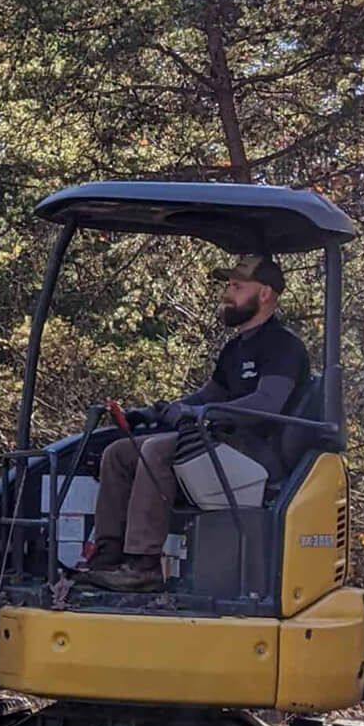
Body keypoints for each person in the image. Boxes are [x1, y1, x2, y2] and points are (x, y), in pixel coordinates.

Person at [81, 254, 311, 593]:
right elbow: (207, 395)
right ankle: (107, 558)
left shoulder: (283, 345)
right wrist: (155, 411)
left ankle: (143, 566)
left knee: (160, 451)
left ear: (264, 294)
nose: (226, 294)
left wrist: (203, 415)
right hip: (223, 449)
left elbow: (267, 403)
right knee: (120, 452)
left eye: (237, 286)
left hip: (260, 458)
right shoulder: (235, 348)